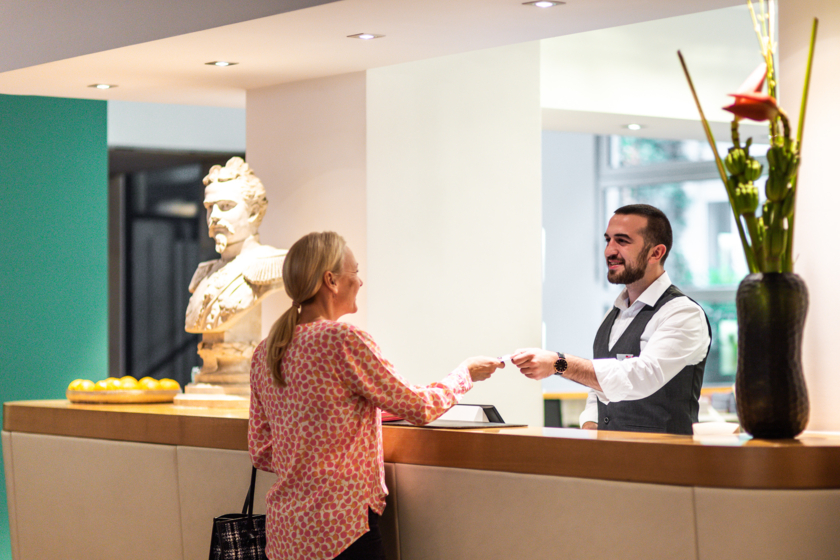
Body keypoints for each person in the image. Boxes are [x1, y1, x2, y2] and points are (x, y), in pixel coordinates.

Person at [248, 231, 503, 560]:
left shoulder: (265, 352)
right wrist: (465, 374)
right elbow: (420, 407)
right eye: (355, 273)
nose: (361, 283)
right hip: (340, 530)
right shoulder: (342, 340)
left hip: (286, 535)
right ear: (332, 281)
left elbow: (261, 450)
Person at [512, 204, 711, 435]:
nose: (609, 251)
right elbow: (600, 386)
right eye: (608, 240)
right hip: (612, 459)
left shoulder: (682, 313)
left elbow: (641, 376)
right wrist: (591, 425)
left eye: (622, 241)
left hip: (665, 462)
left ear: (656, 253)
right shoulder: (615, 312)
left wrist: (559, 363)